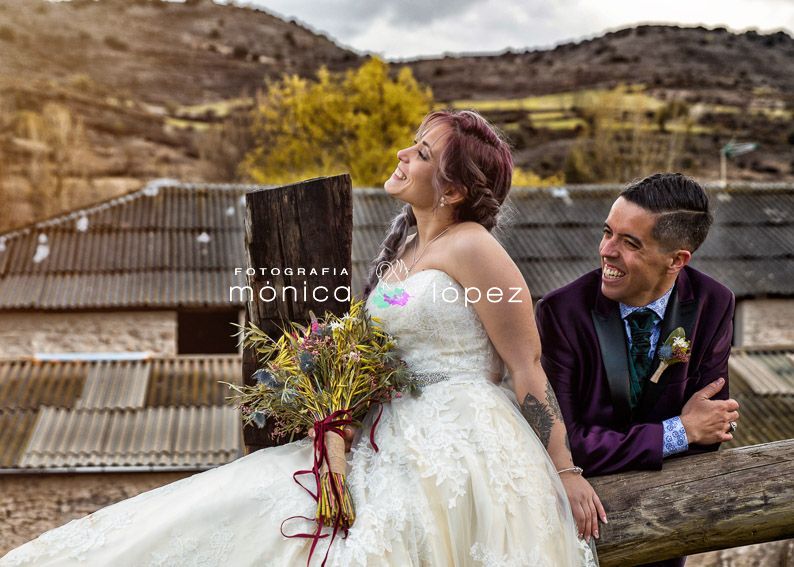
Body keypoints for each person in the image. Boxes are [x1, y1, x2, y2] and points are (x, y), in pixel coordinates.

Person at [1, 110, 598, 566]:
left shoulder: (475, 249)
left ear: (454, 190)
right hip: (386, 426)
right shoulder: (409, 250)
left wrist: (564, 472)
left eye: (419, 153)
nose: (401, 155)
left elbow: (526, 369)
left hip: (459, 438)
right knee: (238, 505)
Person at [535, 173, 738, 567]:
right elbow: (565, 442)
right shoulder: (561, 312)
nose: (606, 251)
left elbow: (711, 433)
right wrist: (678, 430)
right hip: (580, 529)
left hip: (664, 529)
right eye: (607, 232)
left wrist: (693, 431)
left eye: (630, 243)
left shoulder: (714, 304)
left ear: (677, 260)